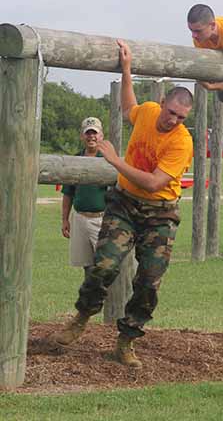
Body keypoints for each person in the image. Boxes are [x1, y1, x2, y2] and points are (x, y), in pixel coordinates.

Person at [50, 39, 194, 369]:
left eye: (182, 117)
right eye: (172, 112)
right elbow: (129, 106)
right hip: (125, 205)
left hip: (160, 213)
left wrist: (114, 160)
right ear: (162, 103)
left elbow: (155, 182)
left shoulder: (182, 141)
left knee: (149, 279)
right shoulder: (148, 113)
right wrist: (126, 69)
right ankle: (81, 317)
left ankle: (127, 339)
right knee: (104, 266)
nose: (174, 120)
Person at [61, 117, 107, 280]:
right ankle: (91, 302)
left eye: (94, 133)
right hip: (79, 218)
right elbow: (68, 194)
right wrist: (65, 220)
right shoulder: (75, 160)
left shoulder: (107, 160)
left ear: (101, 135)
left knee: (104, 265)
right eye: (88, 133)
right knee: (87, 266)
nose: (91, 137)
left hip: (102, 219)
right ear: (82, 136)